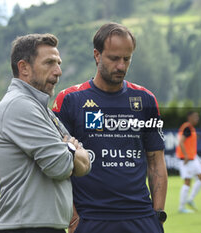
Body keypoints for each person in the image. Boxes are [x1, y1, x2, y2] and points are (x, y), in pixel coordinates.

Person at [52, 22, 168, 233]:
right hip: (92, 219)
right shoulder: (70, 100)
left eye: (127, 59)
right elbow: (60, 167)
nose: (121, 66)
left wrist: (157, 216)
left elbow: (156, 161)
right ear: (97, 55)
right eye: (114, 58)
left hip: (141, 219)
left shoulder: (146, 99)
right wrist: (73, 219)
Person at [0, 33, 91, 233]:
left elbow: (87, 164)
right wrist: (72, 147)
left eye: (59, 63)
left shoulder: (40, 107)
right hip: (27, 227)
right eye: (49, 63)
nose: (59, 71)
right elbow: (61, 166)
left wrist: (69, 151)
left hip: (40, 226)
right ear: (24, 68)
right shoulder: (19, 105)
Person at [176, 111, 201, 213]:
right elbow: (181, 142)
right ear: (189, 117)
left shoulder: (190, 128)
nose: (197, 119)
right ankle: (181, 207)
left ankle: (190, 199)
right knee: (187, 181)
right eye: (195, 117)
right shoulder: (187, 128)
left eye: (197, 117)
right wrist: (186, 156)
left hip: (193, 158)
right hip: (186, 159)